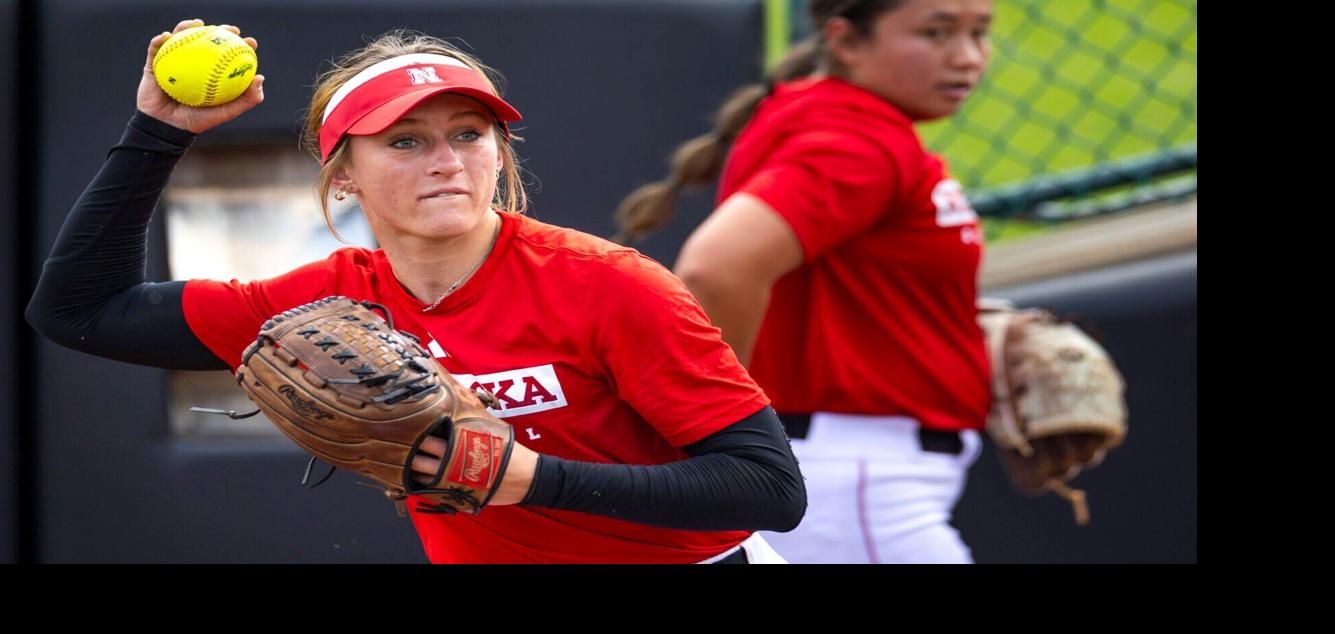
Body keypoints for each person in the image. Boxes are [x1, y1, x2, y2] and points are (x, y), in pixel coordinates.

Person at [27, 20, 805, 564]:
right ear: (343, 178)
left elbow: (769, 487)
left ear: (499, 155)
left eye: (469, 134)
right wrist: (158, 132)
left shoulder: (609, 285)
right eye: (406, 141)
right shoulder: (320, 301)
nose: (446, 159)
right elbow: (80, 311)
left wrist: (534, 479)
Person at [614, 0, 994, 564]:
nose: (967, 57)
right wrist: (719, 431)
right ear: (845, 40)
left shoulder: (831, 114)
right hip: (856, 481)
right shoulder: (858, 140)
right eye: (935, 33)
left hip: (846, 469)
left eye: (979, 32)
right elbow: (718, 267)